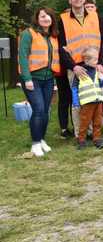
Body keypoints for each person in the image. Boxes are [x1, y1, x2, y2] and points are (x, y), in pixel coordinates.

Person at [58, 0, 103, 139]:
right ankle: (80, 133)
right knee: (78, 102)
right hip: (76, 66)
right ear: (70, 0)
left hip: (94, 65)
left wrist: (101, 63)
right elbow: (61, 47)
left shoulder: (96, 16)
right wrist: (73, 66)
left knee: (95, 98)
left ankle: (93, 132)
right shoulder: (63, 19)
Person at [18, 8, 60, 157]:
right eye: (42, 16)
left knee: (46, 110)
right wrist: (27, 78)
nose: (46, 18)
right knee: (38, 109)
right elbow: (22, 56)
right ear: (37, 18)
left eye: (48, 16)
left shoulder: (52, 36)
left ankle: (42, 139)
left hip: (48, 79)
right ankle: (35, 143)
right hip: (32, 78)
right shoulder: (28, 33)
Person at [71, 46, 103, 150]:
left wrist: (102, 79)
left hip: (98, 101)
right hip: (86, 102)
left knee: (97, 121)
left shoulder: (97, 71)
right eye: (95, 59)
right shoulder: (80, 72)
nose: (97, 61)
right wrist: (76, 101)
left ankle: (97, 138)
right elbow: (74, 87)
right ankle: (81, 139)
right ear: (86, 60)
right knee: (85, 121)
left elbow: (101, 85)